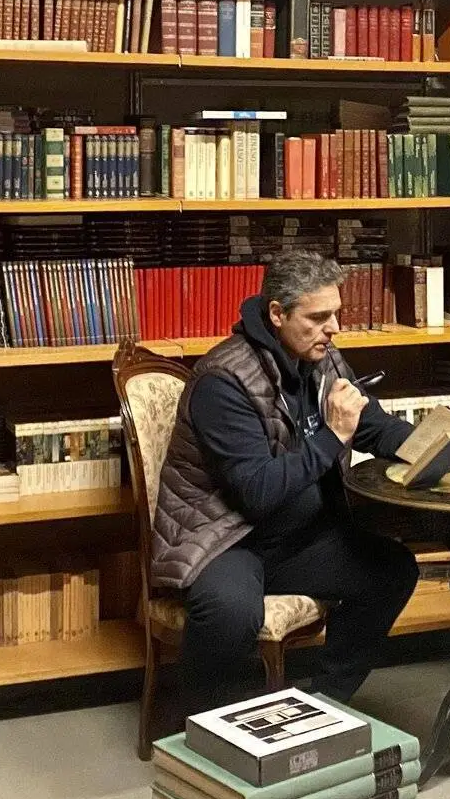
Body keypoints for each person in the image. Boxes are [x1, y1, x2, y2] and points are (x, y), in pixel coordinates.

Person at [151, 250, 419, 706]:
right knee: (229, 610)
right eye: (318, 317)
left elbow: (372, 425)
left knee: (392, 570)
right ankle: (199, 723)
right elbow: (257, 491)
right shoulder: (224, 380)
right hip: (229, 539)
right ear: (277, 314)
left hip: (299, 538)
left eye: (335, 313)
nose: (333, 328)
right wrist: (333, 435)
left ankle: (326, 703)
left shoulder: (323, 359)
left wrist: (436, 445)